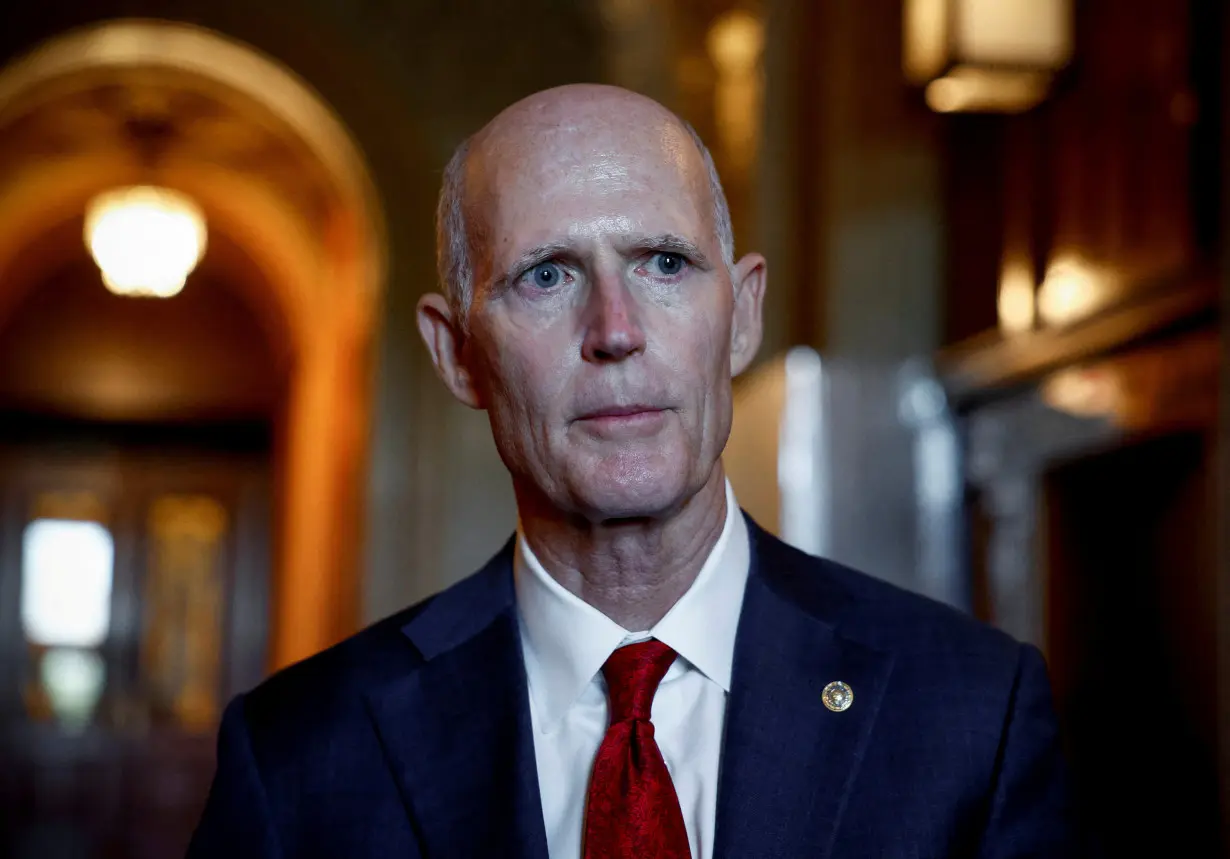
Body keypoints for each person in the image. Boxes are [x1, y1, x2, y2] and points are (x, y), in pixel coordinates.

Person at [188, 84, 1082, 859]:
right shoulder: (300, 755)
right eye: (545, 275)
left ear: (741, 316)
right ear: (458, 353)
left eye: (664, 263)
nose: (616, 328)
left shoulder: (971, 712)